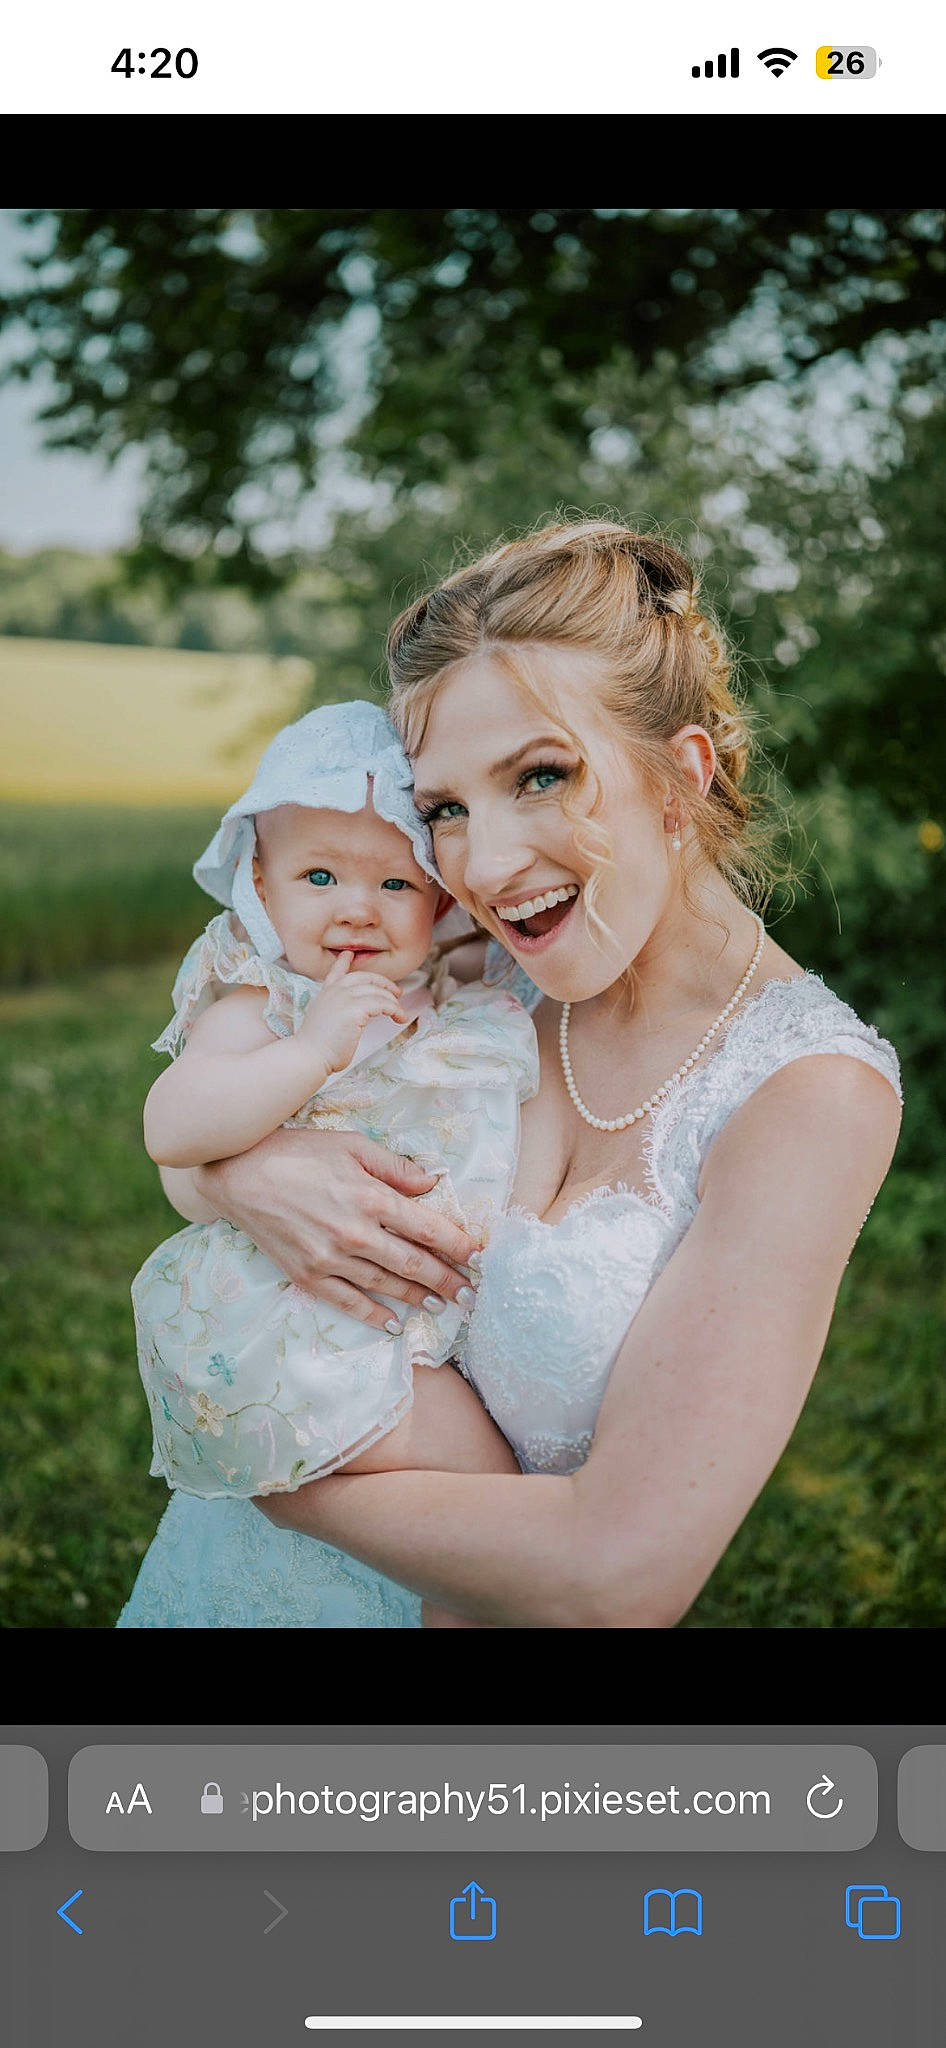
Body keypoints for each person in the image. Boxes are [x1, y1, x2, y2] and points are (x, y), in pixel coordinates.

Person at [120, 520, 902, 1630]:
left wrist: (273, 1464)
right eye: (443, 807)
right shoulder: (472, 973)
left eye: (542, 775)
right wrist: (251, 1176)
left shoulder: (805, 1095)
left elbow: (619, 1576)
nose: (480, 868)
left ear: (679, 779)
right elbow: (195, 1150)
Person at [118, 701, 536, 1627]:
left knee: (479, 1502)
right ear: (260, 892)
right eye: (319, 876)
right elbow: (171, 1123)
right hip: (289, 1325)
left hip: (370, 1316)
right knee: (493, 1491)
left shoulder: (451, 1000)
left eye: (394, 884)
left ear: (436, 904)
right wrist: (308, 1052)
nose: (357, 907)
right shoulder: (265, 1001)